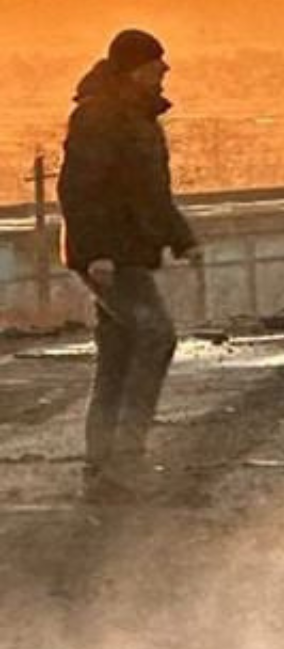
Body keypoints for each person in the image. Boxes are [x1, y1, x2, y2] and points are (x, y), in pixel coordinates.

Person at [59, 29, 195, 505]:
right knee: (157, 335)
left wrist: (181, 238)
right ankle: (125, 461)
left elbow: (150, 193)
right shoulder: (100, 117)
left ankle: (103, 467)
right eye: (156, 64)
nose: (164, 71)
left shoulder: (134, 116)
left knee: (118, 354)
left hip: (128, 253)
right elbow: (79, 190)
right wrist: (97, 253)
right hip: (112, 257)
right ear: (134, 69)